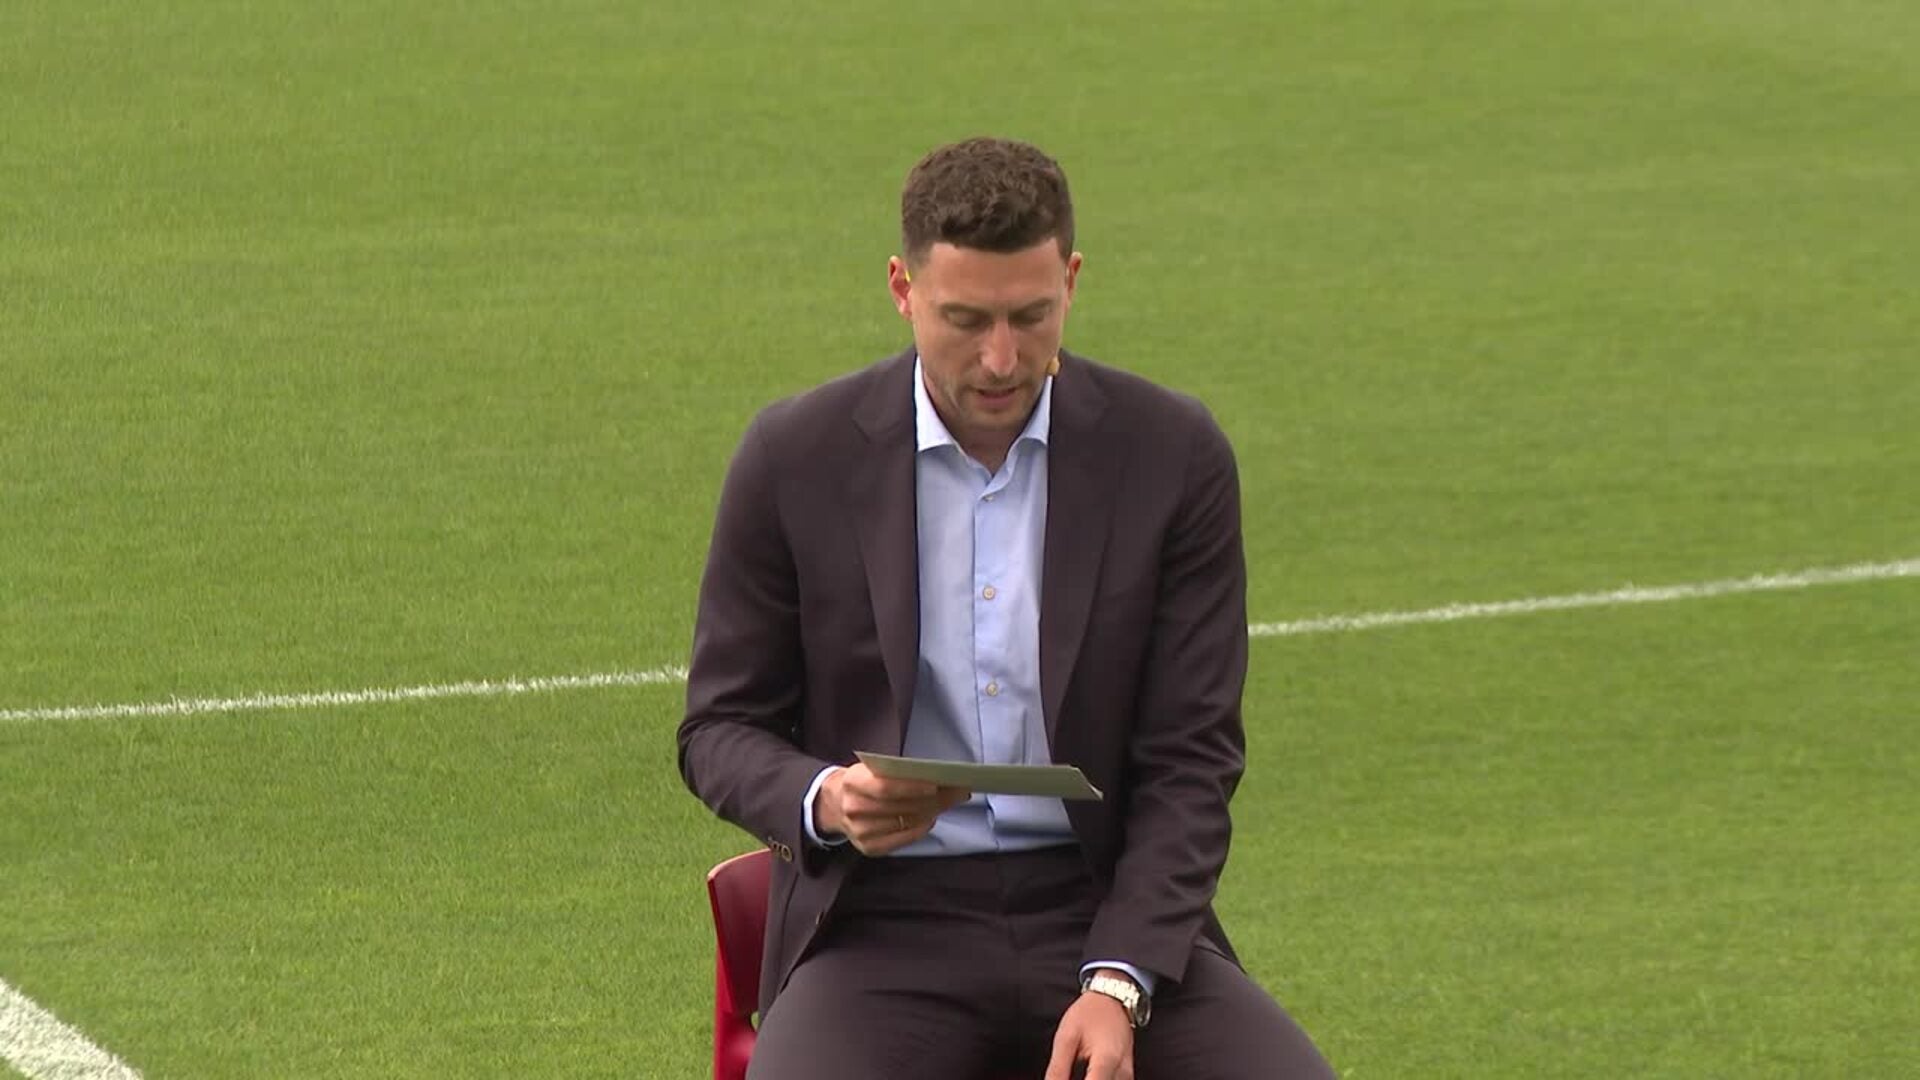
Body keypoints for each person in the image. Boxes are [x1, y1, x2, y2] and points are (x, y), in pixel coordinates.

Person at [679, 136, 1335, 1080]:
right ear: (903, 290)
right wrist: (828, 800)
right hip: (878, 924)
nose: (1001, 358)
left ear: (1071, 280)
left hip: (1103, 905)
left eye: (1032, 317)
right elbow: (716, 729)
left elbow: (1192, 760)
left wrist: (1119, 981)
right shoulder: (794, 456)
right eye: (965, 320)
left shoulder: (1173, 454)